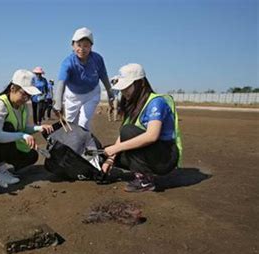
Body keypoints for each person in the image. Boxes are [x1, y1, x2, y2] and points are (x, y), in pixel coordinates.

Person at [102, 63, 183, 192]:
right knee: (105, 151)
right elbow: (122, 137)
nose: (124, 92)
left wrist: (116, 148)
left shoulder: (156, 102)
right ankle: (139, 171)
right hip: (151, 153)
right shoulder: (134, 105)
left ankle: (145, 180)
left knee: (127, 132)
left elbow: (151, 136)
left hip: (165, 157)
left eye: (127, 88)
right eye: (122, 89)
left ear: (140, 84)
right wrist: (110, 158)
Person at [0, 69, 54, 188]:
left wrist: (39, 128)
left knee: (32, 156)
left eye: (29, 95)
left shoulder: (22, 106)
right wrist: (22, 135)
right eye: (24, 93)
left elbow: (21, 128)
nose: (26, 98)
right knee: (7, 126)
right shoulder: (0, 105)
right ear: (12, 89)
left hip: (2, 141)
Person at [53, 27, 115, 130]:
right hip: (73, 96)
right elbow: (61, 83)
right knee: (70, 122)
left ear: (91, 47)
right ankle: (72, 144)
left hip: (92, 94)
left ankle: (84, 144)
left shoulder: (97, 59)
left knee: (84, 122)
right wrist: (58, 103)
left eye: (86, 46)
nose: (82, 49)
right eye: (79, 45)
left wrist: (110, 94)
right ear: (73, 46)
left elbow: (104, 77)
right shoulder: (68, 63)